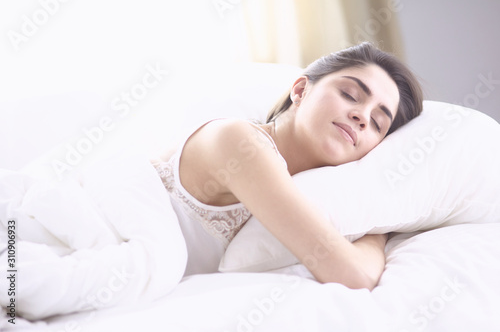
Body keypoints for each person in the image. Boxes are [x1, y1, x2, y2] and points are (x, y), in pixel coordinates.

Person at [151, 42, 423, 290]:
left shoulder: (308, 188)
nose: (362, 116)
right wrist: (378, 231)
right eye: (350, 95)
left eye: (377, 123)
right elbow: (355, 276)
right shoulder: (240, 142)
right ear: (301, 90)